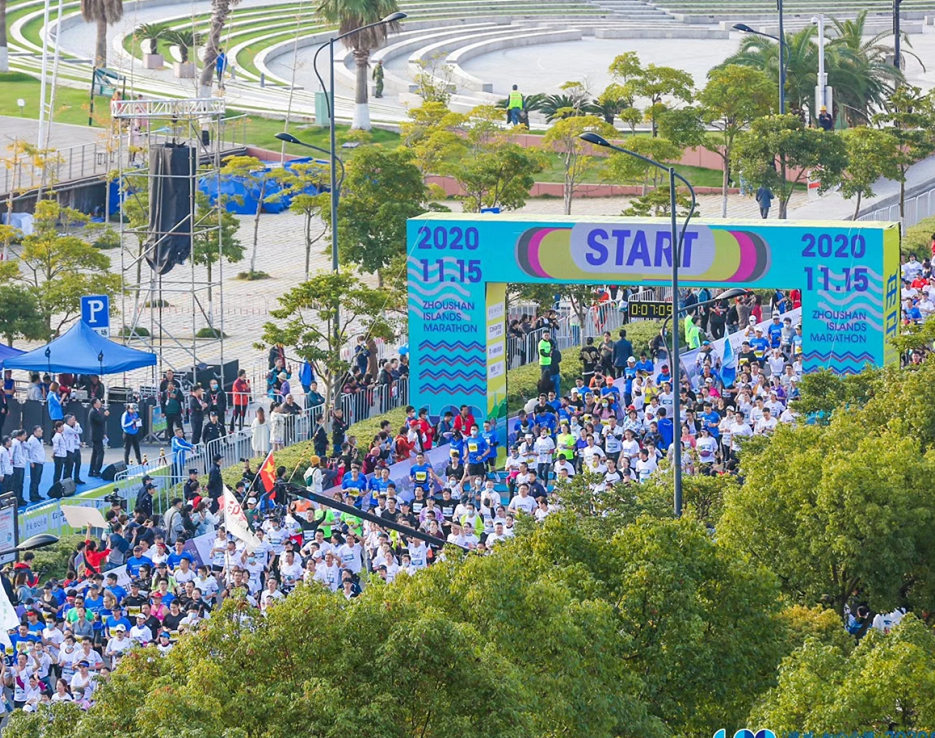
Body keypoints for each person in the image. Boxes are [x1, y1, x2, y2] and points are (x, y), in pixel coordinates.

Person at [88, 398, 108, 478]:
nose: (100, 403)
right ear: (95, 403)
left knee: (95, 453)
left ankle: (92, 470)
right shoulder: (93, 412)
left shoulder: (96, 411)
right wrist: (105, 416)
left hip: (98, 434)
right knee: (100, 453)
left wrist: (103, 433)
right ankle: (96, 470)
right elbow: (100, 421)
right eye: (99, 402)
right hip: (96, 436)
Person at [25, 426, 44, 503]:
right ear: (35, 432)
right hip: (35, 462)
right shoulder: (31, 440)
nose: (41, 432)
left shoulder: (40, 440)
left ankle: (36, 493)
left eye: (41, 430)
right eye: (39, 431)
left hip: (40, 461)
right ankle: (32, 495)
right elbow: (28, 452)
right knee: (34, 480)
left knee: (38, 479)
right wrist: (31, 461)